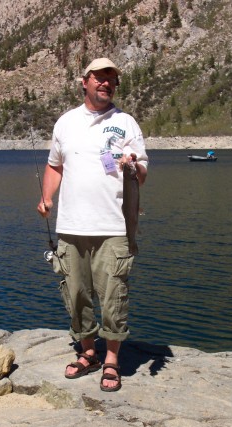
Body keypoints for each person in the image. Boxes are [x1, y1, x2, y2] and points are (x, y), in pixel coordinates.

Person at [37, 57, 148, 392]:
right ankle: (88, 353)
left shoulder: (126, 122)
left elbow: (141, 173)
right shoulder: (65, 123)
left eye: (111, 79)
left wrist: (133, 165)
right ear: (83, 82)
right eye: (99, 77)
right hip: (70, 227)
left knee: (114, 296)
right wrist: (46, 199)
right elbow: (54, 166)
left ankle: (111, 360)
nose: (105, 83)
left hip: (114, 227)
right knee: (75, 295)